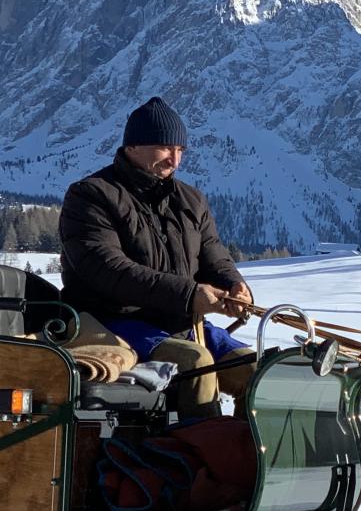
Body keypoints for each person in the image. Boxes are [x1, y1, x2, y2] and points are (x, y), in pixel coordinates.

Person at [58, 97, 254, 415]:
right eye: (165, 148)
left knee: (256, 373)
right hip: (116, 322)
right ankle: (196, 457)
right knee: (197, 365)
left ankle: (245, 456)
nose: (174, 160)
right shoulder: (92, 195)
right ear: (133, 146)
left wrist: (234, 285)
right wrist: (190, 295)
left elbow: (214, 256)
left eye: (181, 151)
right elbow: (109, 269)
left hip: (182, 324)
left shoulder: (191, 200)